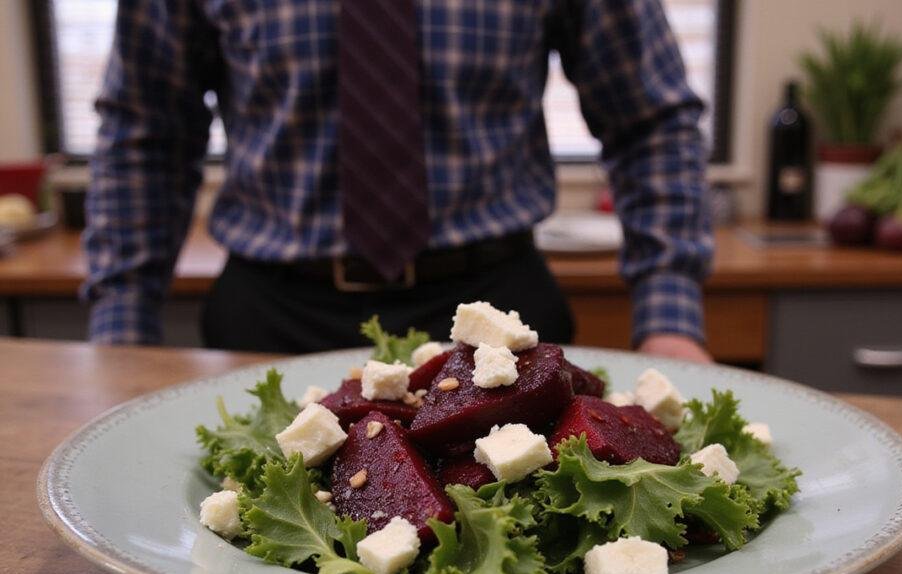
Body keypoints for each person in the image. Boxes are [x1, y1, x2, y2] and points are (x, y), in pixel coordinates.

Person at [83, 0, 713, 363]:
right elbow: (146, 131)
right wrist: (121, 333)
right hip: (272, 322)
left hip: (498, 317)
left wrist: (670, 318)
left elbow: (650, 119)